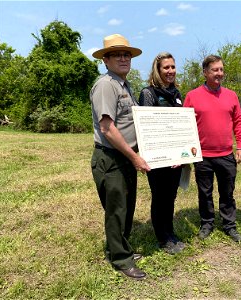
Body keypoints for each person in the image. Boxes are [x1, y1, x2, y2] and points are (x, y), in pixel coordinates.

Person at [90, 34, 151, 279]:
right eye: (117, 54)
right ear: (106, 60)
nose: (123, 58)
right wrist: (134, 157)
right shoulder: (106, 84)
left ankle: (121, 247)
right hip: (111, 158)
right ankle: (121, 259)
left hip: (125, 156)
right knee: (116, 209)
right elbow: (107, 128)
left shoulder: (123, 85)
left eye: (126, 54)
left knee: (126, 207)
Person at [184, 55, 241, 242]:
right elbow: (184, 124)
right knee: (205, 192)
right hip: (202, 156)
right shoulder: (192, 96)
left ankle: (229, 224)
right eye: (215, 70)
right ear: (205, 72)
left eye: (221, 69)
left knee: (227, 192)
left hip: (226, 154)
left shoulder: (231, 95)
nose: (219, 73)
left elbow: (239, 122)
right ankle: (207, 223)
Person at [138, 52, 185, 254]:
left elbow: (181, 128)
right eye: (166, 67)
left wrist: (181, 155)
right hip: (157, 159)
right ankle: (162, 238)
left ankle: (170, 233)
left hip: (175, 159)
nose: (170, 71)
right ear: (157, 70)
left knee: (171, 197)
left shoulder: (177, 94)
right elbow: (148, 129)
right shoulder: (148, 94)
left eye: (173, 67)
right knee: (160, 196)